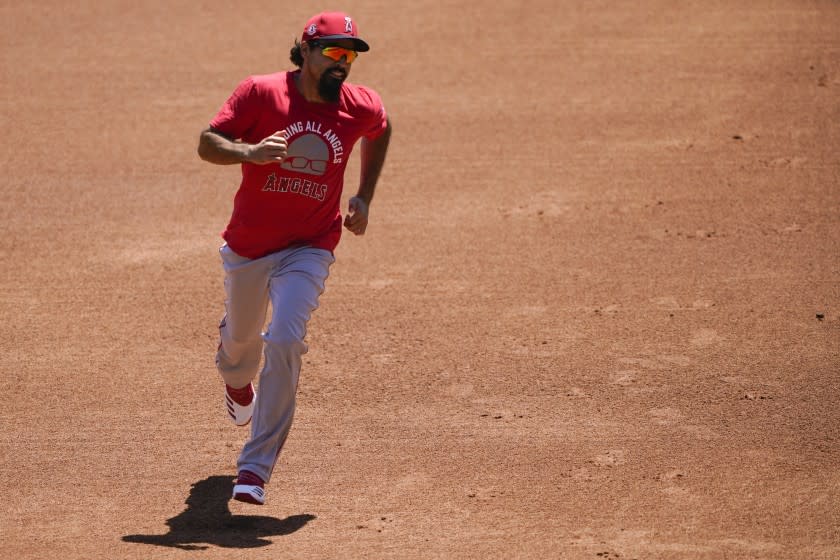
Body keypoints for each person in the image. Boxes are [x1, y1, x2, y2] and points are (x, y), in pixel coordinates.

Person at [197, 11, 391, 505]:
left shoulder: (357, 105)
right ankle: (237, 383)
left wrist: (365, 195)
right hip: (249, 246)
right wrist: (248, 154)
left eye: (349, 55)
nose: (341, 63)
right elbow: (208, 142)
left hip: (310, 245)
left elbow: (381, 128)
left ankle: (255, 468)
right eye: (332, 51)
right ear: (305, 50)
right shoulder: (261, 93)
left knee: (284, 337)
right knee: (239, 352)